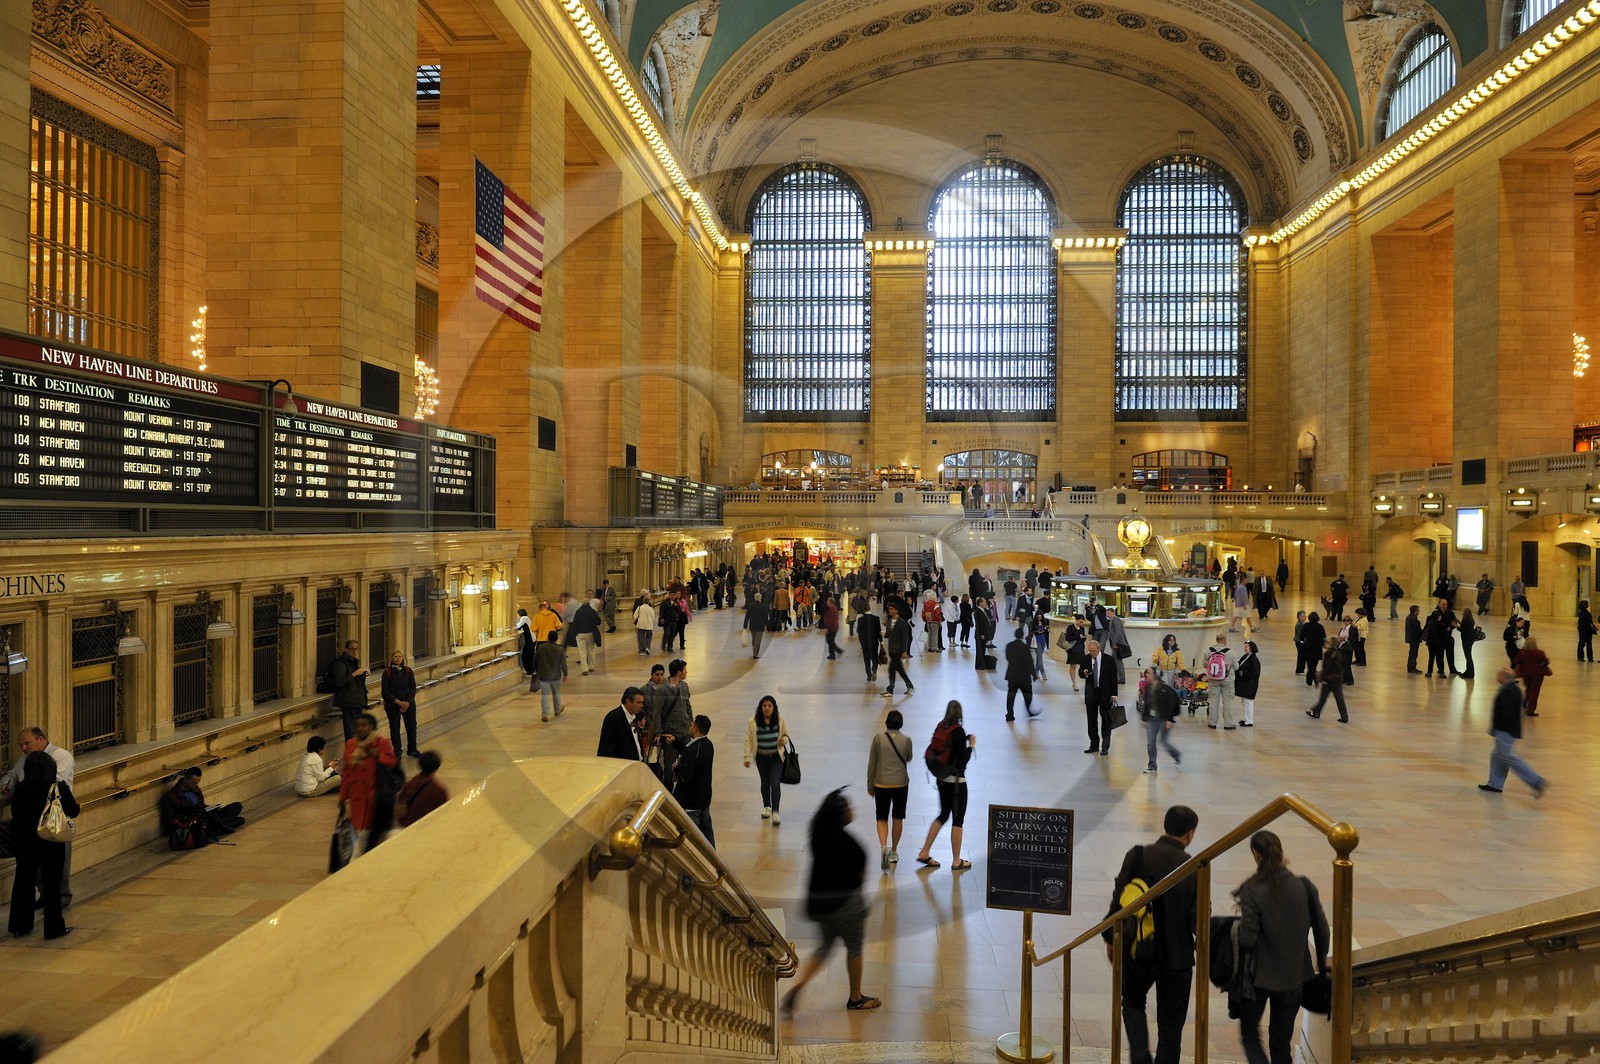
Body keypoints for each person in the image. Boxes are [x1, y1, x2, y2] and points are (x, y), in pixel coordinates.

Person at [1104, 805, 1199, 1064]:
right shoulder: (1193, 867)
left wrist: (1110, 938)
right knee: (1171, 1029)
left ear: (1165, 826)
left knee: (1133, 1004)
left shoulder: (1137, 856)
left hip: (1138, 950)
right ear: (1190, 834)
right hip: (1177, 958)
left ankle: (1140, 1057)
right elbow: (1198, 920)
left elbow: (1118, 902)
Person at [1233, 830, 1331, 1064]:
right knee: (1280, 1041)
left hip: (1259, 978)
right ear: (1281, 852)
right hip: (1295, 978)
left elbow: (1247, 939)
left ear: (1255, 854)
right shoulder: (1305, 886)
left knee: (1249, 1036)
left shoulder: (1252, 891)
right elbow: (1322, 931)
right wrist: (1321, 961)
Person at [781, 788, 882, 1015]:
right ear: (840, 815)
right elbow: (860, 877)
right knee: (855, 948)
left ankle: (799, 986)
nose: (851, 809)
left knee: (825, 946)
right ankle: (855, 998)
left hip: (820, 906)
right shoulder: (852, 847)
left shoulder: (818, 834)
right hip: (846, 906)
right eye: (848, 807)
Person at [0, 728, 76, 911]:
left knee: (59, 866)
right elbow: (13, 774)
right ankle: (45, 896)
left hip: (54, 821)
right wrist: (6, 784)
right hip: (32, 826)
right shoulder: (26, 758)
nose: (23, 748)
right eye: (21, 745)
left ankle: (61, 897)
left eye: (27, 743)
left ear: (41, 739)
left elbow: (53, 785)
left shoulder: (61, 756)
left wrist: (24, 787)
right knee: (39, 869)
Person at [7, 751, 79, 940]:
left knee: (23, 882)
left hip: (25, 843)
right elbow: (74, 810)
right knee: (52, 885)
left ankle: (19, 925)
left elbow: (16, 813)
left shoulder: (20, 789)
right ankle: (54, 927)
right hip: (50, 842)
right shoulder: (58, 788)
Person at [914, 701, 974, 870]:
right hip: (957, 782)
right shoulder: (958, 731)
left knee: (943, 814)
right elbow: (961, 762)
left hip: (942, 779)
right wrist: (971, 747)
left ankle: (924, 852)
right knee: (958, 819)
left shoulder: (941, 727)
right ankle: (956, 860)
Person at [1479, 668, 1548, 796]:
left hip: (1505, 731)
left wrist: (1499, 729)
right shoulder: (1511, 689)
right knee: (1497, 755)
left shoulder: (1510, 691)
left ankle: (1536, 781)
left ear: (1504, 676)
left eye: (1498, 674)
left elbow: (1509, 714)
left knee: (1507, 757)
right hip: (1506, 730)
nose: (1496, 676)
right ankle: (1495, 784)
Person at [339, 712, 399, 857]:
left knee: (367, 833)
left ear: (372, 727)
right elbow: (347, 772)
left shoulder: (381, 743)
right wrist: (343, 798)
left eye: (364, 725)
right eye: (358, 726)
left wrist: (376, 755)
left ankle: (359, 862)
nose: (360, 729)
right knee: (361, 832)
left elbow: (393, 763)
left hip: (375, 795)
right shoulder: (351, 744)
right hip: (357, 796)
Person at [865, 710, 914, 871]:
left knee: (881, 817)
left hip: (881, 783)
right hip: (901, 784)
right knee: (898, 817)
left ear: (886, 723)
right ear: (901, 724)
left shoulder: (878, 739)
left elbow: (872, 763)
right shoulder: (906, 740)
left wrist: (870, 785)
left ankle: (883, 846)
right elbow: (908, 757)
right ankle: (893, 851)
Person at [743, 695, 789, 823]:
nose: (767, 708)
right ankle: (766, 807)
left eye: (769, 705)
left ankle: (775, 811)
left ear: (774, 707)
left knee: (775, 783)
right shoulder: (753, 721)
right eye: (764, 706)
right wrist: (747, 757)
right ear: (760, 707)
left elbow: (786, 735)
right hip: (761, 758)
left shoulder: (780, 720)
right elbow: (749, 740)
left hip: (776, 757)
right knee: (765, 782)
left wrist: (783, 740)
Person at [673, 715, 716, 845]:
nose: (690, 727)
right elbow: (690, 753)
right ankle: (714, 859)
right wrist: (676, 742)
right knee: (707, 833)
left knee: (692, 839)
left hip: (691, 802)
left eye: (692, 725)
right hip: (704, 800)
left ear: (696, 728)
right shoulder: (707, 744)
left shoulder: (694, 751)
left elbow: (686, 777)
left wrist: (676, 769)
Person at [1080, 638, 1120, 756]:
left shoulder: (1109, 660)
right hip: (1091, 694)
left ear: (1099, 649)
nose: (1091, 653)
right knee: (1091, 721)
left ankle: (1105, 746)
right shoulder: (1085, 659)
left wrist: (1114, 694)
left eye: (1093, 651)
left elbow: (1113, 678)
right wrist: (1084, 673)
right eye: (1090, 651)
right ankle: (1094, 745)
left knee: (1106, 722)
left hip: (1105, 694)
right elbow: (1080, 673)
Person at [1140, 668, 1182, 773]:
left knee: (1164, 743)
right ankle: (1152, 765)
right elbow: (1146, 704)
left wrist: (1170, 719)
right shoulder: (1148, 688)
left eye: (1148, 673)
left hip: (1164, 720)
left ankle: (1176, 755)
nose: (1146, 675)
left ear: (1156, 675)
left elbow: (1174, 704)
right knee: (1151, 744)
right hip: (1151, 720)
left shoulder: (1166, 689)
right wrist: (1144, 718)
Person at [380, 650, 419, 758]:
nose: (398, 658)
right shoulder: (387, 672)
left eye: (400, 656)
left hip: (408, 704)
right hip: (393, 705)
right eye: (395, 656)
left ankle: (412, 749)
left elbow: (412, 688)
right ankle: (397, 751)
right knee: (394, 728)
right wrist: (399, 703)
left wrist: (407, 702)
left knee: (411, 727)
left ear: (403, 658)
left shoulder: (408, 671)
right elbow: (385, 692)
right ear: (392, 658)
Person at [329, 639, 370, 740]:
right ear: (346, 649)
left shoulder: (353, 662)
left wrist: (362, 675)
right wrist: (355, 673)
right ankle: (352, 753)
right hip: (349, 700)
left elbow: (355, 681)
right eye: (352, 649)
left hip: (356, 700)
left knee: (357, 730)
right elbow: (340, 682)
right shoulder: (340, 663)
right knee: (351, 731)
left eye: (356, 649)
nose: (354, 652)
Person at [396, 750, 448, 827]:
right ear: (437, 768)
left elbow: (400, 811)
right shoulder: (438, 790)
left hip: (409, 827)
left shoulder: (408, 785)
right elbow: (442, 815)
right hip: (428, 829)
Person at [597, 687, 648, 761]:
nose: (642, 705)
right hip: (622, 767)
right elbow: (607, 749)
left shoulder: (636, 717)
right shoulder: (613, 718)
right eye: (638, 703)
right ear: (628, 701)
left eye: (642, 702)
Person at [1306, 636, 1349, 723]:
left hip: (1329, 679)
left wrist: (1323, 679)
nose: (1325, 643)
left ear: (1330, 644)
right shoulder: (1338, 653)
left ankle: (1315, 712)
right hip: (1337, 679)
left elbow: (1326, 668)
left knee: (1323, 698)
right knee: (1339, 698)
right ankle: (1344, 717)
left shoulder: (1327, 654)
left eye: (1327, 642)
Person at [1203, 633, 1237, 729]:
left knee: (1213, 701)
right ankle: (1228, 724)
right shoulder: (1230, 652)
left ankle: (1212, 723)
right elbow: (1236, 667)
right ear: (1225, 640)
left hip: (1213, 680)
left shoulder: (1208, 651)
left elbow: (1204, 664)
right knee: (1227, 702)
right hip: (1227, 680)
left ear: (1216, 640)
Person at [1512, 636, 1552, 715]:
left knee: (1528, 689)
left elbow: (1516, 661)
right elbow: (1546, 662)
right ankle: (1530, 711)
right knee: (1534, 692)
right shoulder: (1540, 653)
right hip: (1538, 675)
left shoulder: (1522, 652)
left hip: (1525, 674)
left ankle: (1525, 702)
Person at [1003, 626, 1036, 721]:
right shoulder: (1025, 647)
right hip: (1023, 676)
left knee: (1011, 695)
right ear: (1022, 636)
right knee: (1028, 693)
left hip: (1012, 674)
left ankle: (1009, 714)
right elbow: (1029, 661)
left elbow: (1008, 658)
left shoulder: (1009, 646)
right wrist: (1033, 674)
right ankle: (1029, 710)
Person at [882, 602, 914, 696]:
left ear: (896, 610)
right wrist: (884, 634)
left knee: (891, 670)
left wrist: (904, 651)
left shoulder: (902, 622)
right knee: (900, 670)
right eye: (889, 609)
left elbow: (905, 637)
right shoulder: (889, 621)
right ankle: (909, 685)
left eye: (892, 609)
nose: (890, 610)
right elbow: (889, 634)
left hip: (898, 650)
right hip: (891, 649)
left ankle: (890, 689)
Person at [535, 630, 565, 722]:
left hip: (543, 675)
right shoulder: (559, 649)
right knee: (556, 693)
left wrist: (536, 671)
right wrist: (566, 673)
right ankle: (557, 709)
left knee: (544, 695)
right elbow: (563, 663)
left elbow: (535, 660)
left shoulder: (541, 648)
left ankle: (545, 714)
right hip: (555, 676)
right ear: (556, 638)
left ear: (548, 638)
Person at [570, 597, 604, 674]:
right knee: (591, 650)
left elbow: (575, 623)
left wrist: (575, 634)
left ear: (582, 603)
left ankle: (584, 669)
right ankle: (591, 666)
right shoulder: (592, 611)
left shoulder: (578, 612)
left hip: (580, 634)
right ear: (589, 603)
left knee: (582, 651)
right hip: (591, 633)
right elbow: (598, 622)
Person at [856, 601, 883, 684]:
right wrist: (881, 641)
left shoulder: (861, 619)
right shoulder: (876, 618)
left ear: (863, 609)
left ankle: (868, 675)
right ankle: (874, 671)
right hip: (874, 642)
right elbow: (879, 631)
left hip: (865, 643)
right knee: (874, 658)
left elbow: (858, 631)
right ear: (870, 608)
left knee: (866, 659)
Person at [1235, 640, 1261, 727]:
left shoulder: (1254, 660)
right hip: (1244, 685)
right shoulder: (1246, 656)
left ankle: (1249, 721)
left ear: (1251, 648)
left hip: (1250, 685)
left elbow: (1255, 673)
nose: (1244, 648)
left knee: (1248, 702)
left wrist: (1243, 674)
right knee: (1245, 702)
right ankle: (1247, 719)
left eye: (1246, 647)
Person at [1458, 607, 1482, 680]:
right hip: (1471, 640)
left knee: (1468, 656)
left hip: (1466, 640)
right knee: (1468, 656)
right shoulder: (1471, 620)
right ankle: (1468, 671)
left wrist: (1457, 627)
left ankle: (1470, 673)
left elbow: (1464, 631)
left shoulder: (1465, 620)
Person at [744, 593, 770, 660]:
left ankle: (754, 649)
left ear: (755, 598)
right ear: (760, 598)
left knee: (754, 638)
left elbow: (747, 616)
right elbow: (766, 616)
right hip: (760, 626)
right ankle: (755, 654)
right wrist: (766, 625)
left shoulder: (751, 606)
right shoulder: (763, 606)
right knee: (758, 640)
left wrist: (745, 625)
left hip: (752, 625)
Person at [517, 607, 537, 690]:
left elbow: (518, 626)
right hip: (532, 639)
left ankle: (530, 670)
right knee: (529, 654)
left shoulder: (524, 618)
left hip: (530, 640)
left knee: (526, 655)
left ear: (520, 614)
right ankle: (531, 670)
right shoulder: (526, 618)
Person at [1404, 605, 1424, 674]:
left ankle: (1412, 667)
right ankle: (1411, 668)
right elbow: (1418, 630)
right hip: (1414, 639)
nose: (1419, 612)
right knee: (1413, 653)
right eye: (1418, 610)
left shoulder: (1409, 617)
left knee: (1413, 653)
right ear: (1415, 611)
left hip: (1411, 638)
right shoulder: (1414, 619)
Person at [822, 593, 843, 660]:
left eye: (827, 601)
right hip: (834, 627)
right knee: (830, 641)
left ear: (830, 602)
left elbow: (830, 620)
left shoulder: (831, 609)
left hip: (832, 628)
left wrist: (827, 628)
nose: (826, 602)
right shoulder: (833, 608)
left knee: (830, 641)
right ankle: (838, 651)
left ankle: (833, 654)